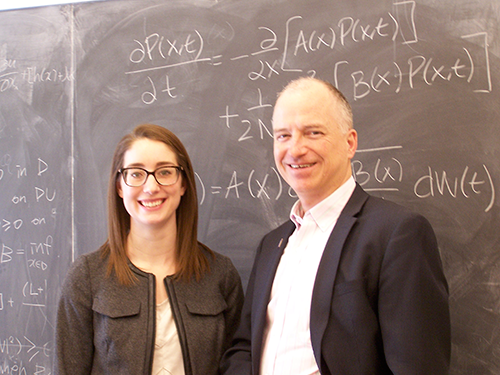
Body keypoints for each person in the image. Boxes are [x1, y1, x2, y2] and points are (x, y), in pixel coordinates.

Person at [220, 77, 451, 375]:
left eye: (312, 132)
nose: (295, 149)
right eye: (283, 135)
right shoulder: (271, 245)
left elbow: (417, 367)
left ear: (350, 142)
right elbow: (245, 348)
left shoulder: (398, 234)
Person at [55, 124, 244, 375]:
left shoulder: (220, 274)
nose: (151, 187)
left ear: (183, 184)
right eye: (136, 174)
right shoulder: (87, 276)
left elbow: (237, 365)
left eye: (165, 172)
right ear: (120, 187)